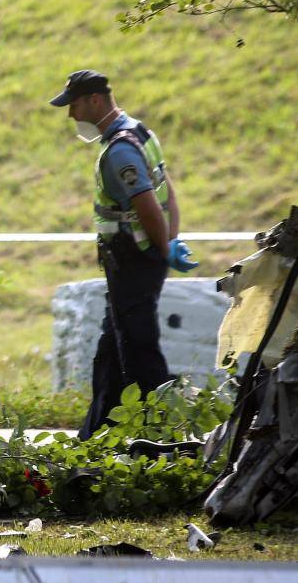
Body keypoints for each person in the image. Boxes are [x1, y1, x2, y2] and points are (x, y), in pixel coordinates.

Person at [50, 69, 194, 439]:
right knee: (111, 348)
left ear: (95, 100)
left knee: (138, 350)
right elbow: (168, 189)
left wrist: (164, 249)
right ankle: (97, 433)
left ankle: (158, 438)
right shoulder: (140, 132)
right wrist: (171, 241)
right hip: (141, 257)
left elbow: (147, 204)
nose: (71, 115)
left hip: (132, 259)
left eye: (74, 105)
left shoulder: (120, 151)